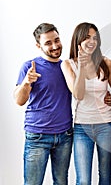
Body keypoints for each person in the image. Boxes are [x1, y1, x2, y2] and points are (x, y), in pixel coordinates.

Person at [14, 23, 73, 185]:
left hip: (65, 135)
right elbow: (19, 100)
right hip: (37, 136)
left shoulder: (67, 66)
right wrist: (26, 82)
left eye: (57, 40)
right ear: (38, 45)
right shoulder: (30, 67)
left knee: (61, 181)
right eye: (48, 43)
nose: (55, 46)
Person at [60, 22, 111, 185]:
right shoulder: (68, 64)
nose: (92, 41)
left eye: (95, 38)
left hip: (106, 124)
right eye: (87, 37)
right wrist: (82, 68)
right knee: (83, 180)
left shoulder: (107, 63)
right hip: (82, 127)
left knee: (105, 176)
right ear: (78, 39)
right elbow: (78, 94)